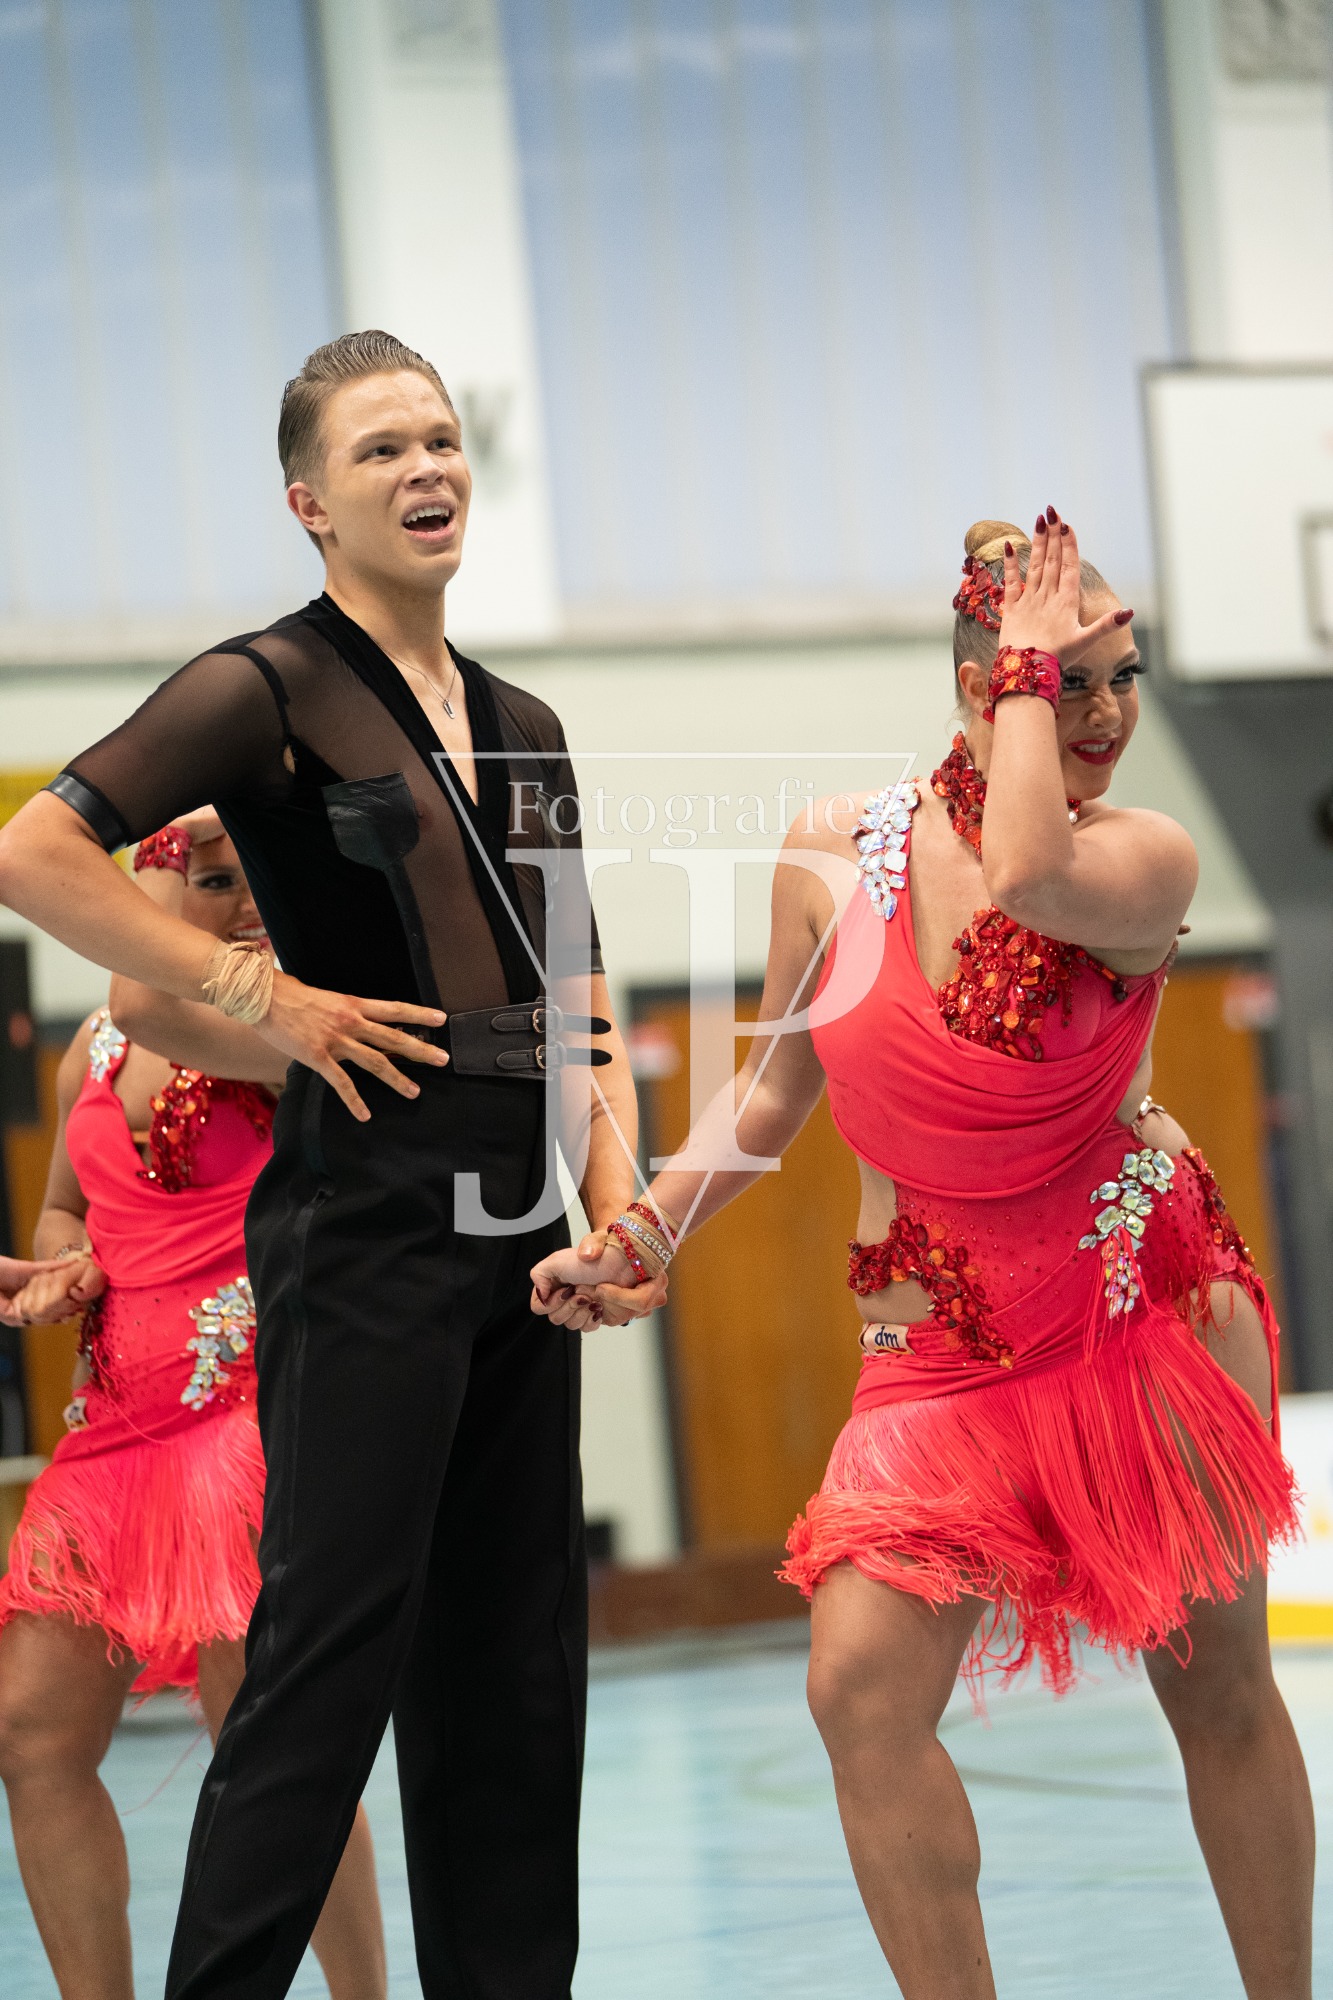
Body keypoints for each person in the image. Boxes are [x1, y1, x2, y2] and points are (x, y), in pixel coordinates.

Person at [533, 511, 1313, 1999]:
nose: (1105, 714)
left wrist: (1032, 665)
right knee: (857, 1686)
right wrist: (642, 1230)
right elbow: (772, 1090)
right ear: (974, 685)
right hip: (939, 1354)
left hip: (1133, 1323)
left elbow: (1022, 871)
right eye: (1066, 682)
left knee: (1215, 1688)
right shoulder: (828, 852)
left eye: (1120, 678)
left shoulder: (1143, 859)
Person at [0, 328, 636, 2000]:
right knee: (321, 1670)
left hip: (522, 1240)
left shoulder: (527, 722)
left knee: (514, 1680)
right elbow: (36, 853)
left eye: (440, 439)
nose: (425, 470)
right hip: (363, 1229)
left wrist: (619, 1204)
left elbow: (574, 995)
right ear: (309, 501)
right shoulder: (264, 686)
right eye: (379, 450)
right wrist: (256, 994)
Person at [0, 811, 385, 2000]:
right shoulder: (89, 1048)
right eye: (216, 877)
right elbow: (67, 1206)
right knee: (31, 1726)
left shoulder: (292, 1024)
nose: (248, 898)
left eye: (260, 872)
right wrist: (65, 1263)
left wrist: (180, 863)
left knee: (260, 1732)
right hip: (115, 1426)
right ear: (147, 888)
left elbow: (161, 998)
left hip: (248, 1415)